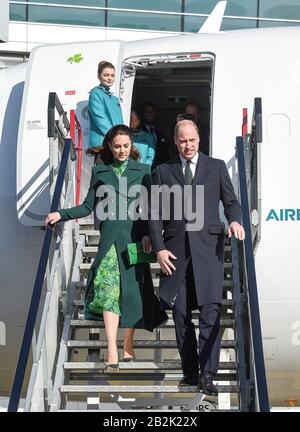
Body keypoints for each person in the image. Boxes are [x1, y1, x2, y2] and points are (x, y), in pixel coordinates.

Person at [45, 125, 167, 370]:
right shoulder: (100, 171)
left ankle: (128, 343)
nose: (122, 151)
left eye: (126, 146)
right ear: (109, 147)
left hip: (135, 238)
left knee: (133, 292)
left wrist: (148, 235)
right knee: (109, 291)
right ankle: (112, 346)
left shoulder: (144, 171)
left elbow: (151, 209)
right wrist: (61, 213)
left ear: (132, 146)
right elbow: (88, 207)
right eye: (117, 146)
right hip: (110, 237)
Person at [148, 119, 245, 395]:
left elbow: (231, 202)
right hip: (175, 254)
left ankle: (208, 375)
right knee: (180, 316)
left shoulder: (215, 167)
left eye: (191, 140)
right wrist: (159, 248)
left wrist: (235, 221)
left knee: (210, 313)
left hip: (208, 251)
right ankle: (190, 371)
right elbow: (154, 214)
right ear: (176, 142)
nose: (187, 146)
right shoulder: (163, 172)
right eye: (182, 141)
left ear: (199, 139)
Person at [87, 61, 123, 154]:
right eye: (106, 75)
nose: (110, 78)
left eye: (112, 75)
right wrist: (116, 138)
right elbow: (100, 120)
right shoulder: (95, 94)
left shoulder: (115, 99)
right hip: (102, 145)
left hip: (117, 143)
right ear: (99, 76)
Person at [141, 102, 170, 168]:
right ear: (143, 114)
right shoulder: (140, 133)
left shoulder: (160, 134)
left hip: (159, 170)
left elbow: (165, 155)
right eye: (147, 112)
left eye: (152, 111)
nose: (150, 114)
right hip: (145, 169)